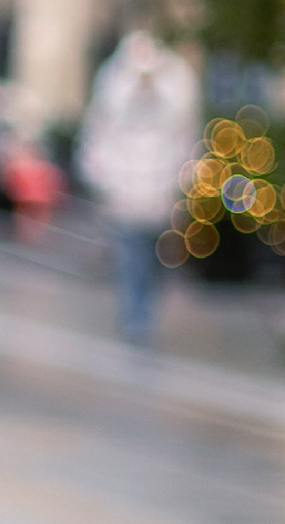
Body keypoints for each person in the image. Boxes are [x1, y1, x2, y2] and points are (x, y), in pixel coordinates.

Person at [74, 26, 203, 342]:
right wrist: (101, 176)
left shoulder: (174, 87)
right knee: (131, 252)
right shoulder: (115, 86)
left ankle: (142, 310)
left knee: (155, 253)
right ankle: (136, 314)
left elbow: (185, 136)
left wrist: (183, 178)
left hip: (159, 188)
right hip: (126, 188)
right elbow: (99, 134)